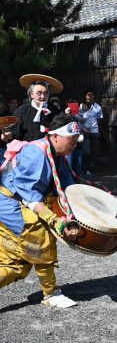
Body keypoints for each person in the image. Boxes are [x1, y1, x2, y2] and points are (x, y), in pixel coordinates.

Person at [0, 113, 80, 307]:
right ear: (55, 136)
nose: (75, 144)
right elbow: (30, 196)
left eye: (77, 140)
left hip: (16, 203)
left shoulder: (57, 154)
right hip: (12, 205)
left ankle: (50, 291)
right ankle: (50, 292)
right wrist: (56, 222)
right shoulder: (36, 153)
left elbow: (67, 188)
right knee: (39, 234)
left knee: (16, 265)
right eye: (72, 139)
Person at [6, 74, 63, 143]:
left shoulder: (54, 110)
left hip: (50, 150)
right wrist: (9, 135)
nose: (43, 96)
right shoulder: (21, 111)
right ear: (31, 94)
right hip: (27, 150)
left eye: (45, 93)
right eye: (39, 93)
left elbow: (61, 130)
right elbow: (13, 131)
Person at [74, 89, 103, 176]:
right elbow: (77, 117)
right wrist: (82, 127)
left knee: (93, 150)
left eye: (91, 95)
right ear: (85, 96)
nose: (89, 96)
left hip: (94, 131)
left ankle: (91, 169)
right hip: (84, 130)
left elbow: (100, 119)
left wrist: (98, 130)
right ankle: (85, 169)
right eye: (87, 95)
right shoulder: (81, 106)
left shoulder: (98, 107)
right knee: (85, 151)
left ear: (93, 96)